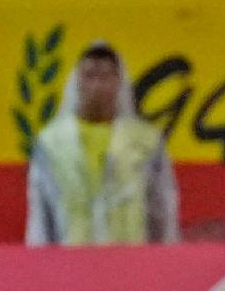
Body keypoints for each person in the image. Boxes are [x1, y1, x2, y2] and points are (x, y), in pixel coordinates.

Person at [26, 43, 178, 245]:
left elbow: (163, 209)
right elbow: (39, 214)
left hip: (131, 262)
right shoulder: (51, 142)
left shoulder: (147, 141)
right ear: (76, 81)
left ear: (119, 82)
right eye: (89, 76)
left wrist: (167, 260)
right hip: (71, 264)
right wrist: (38, 265)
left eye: (105, 76)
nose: (97, 85)